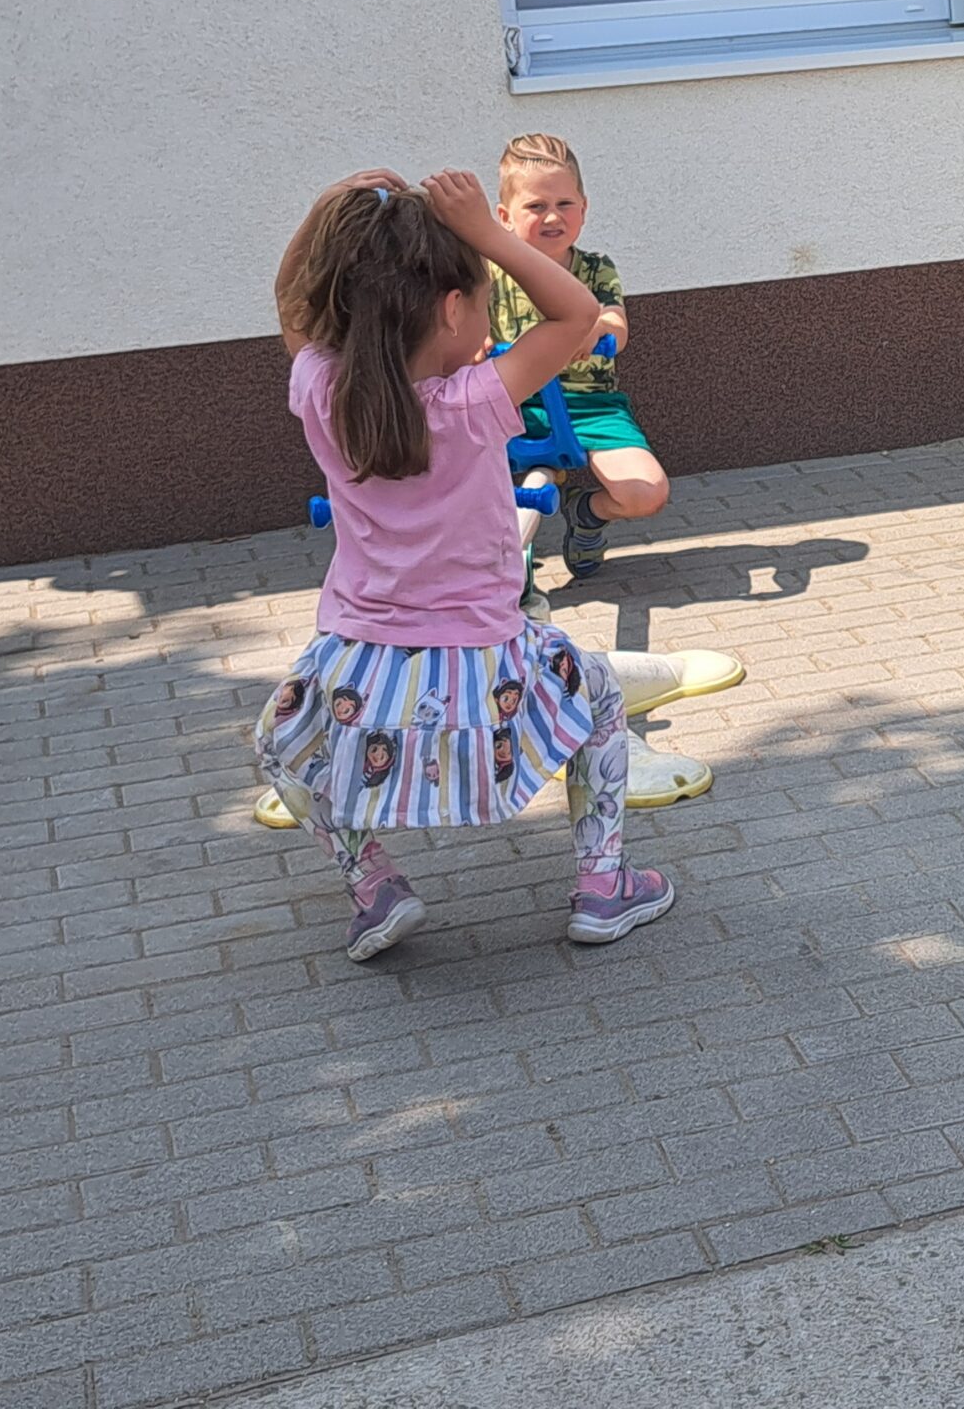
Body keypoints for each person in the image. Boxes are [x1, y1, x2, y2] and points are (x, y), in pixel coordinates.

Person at [256, 168, 676, 962]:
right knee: (600, 696)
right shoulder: (474, 401)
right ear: (452, 310)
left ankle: (373, 886)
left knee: (281, 741)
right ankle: (603, 885)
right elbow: (577, 314)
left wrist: (325, 211)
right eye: (482, 300)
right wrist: (485, 231)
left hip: (358, 671)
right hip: (490, 669)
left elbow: (290, 306)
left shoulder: (323, 390)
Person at [489, 133, 669, 589]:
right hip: (512, 403)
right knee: (463, 486)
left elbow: (616, 323)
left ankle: (586, 512)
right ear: (505, 217)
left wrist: (599, 329)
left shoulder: (595, 270)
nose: (553, 216)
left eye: (564, 204)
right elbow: (462, 320)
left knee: (646, 493)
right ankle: (495, 564)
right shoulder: (488, 272)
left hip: (591, 406)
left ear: (584, 209)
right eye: (536, 206)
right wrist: (473, 342)